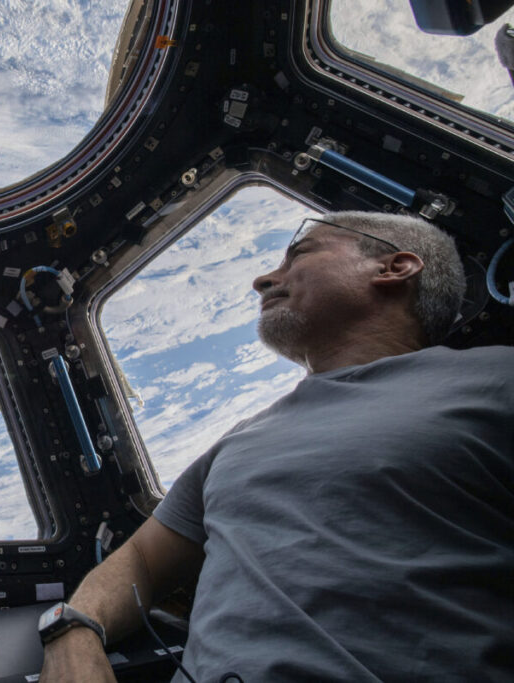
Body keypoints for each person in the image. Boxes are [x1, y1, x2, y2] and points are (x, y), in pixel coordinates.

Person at [40, 211, 514, 681]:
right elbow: (140, 560)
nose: (263, 279)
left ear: (393, 268)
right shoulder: (239, 441)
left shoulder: (496, 379)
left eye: (300, 254)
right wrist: (74, 630)